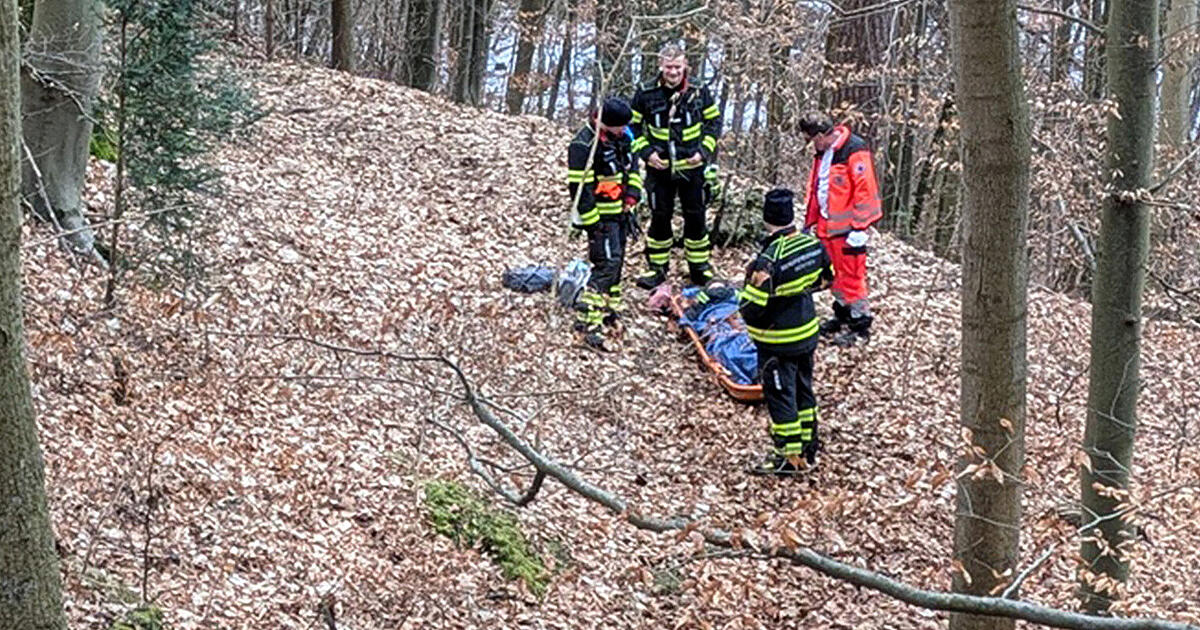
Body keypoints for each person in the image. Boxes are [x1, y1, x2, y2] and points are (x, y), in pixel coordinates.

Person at [739, 189, 834, 476]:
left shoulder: (767, 260)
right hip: (807, 333)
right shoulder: (812, 245)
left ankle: (787, 457)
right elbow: (827, 279)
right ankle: (809, 445)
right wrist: (797, 291)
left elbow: (752, 308)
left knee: (781, 396)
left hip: (777, 341)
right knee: (804, 389)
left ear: (766, 218)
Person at [629, 43, 722, 289]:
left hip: (693, 168)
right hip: (659, 169)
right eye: (669, 67)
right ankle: (657, 268)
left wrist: (703, 152)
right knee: (660, 217)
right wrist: (646, 153)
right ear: (661, 66)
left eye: (678, 67)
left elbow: (714, 123)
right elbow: (632, 127)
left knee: (696, 217)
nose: (673, 72)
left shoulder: (700, 90)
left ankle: (699, 267)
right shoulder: (645, 92)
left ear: (685, 67)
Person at [798, 111, 882, 346]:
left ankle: (860, 324)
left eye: (814, 139)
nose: (813, 145)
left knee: (852, 278)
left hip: (848, 230)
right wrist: (811, 222)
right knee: (833, 274)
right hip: (827, 225)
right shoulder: (823, 153)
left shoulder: (854, 150)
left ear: (824, 134)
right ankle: (842, 315)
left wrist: (860, 227)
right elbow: (819, 187)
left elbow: (865, 190)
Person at [567, 96, 643, 350]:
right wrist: (592, 223)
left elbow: (633, 169)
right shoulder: (583, 145)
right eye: (619, 127)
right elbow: (579, 188)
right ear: (604, 123)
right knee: (606, 265)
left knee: (618, 264)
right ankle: (588, 322)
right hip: (600, 218)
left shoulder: (624, 137)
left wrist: (632, 196)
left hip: (621, 213)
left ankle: (610, 311)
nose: (624, 130)